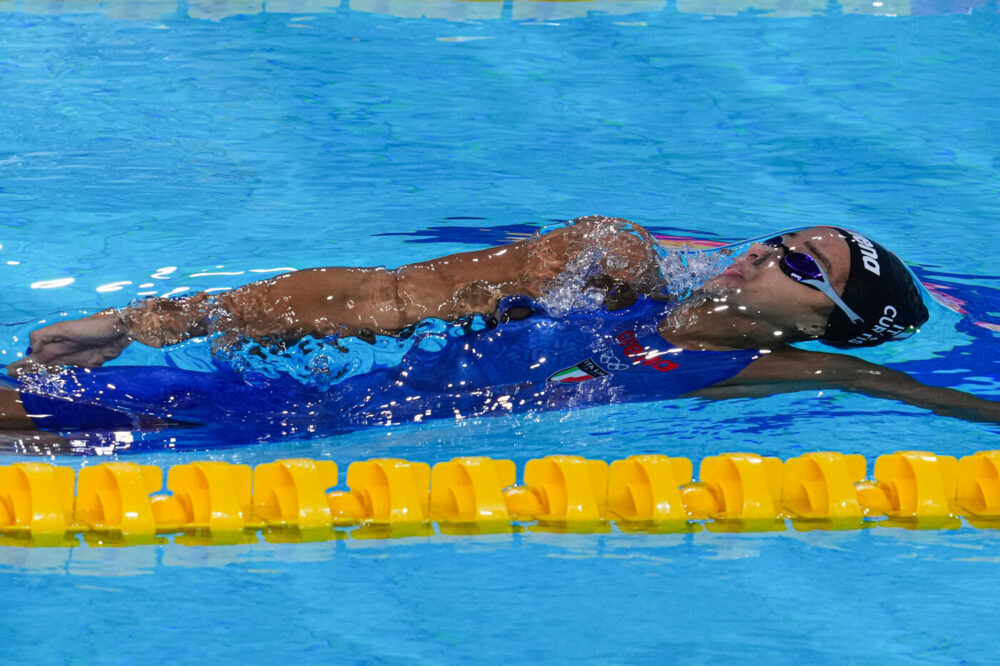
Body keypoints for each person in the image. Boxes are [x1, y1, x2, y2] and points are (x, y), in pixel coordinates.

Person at [1, 216, 997, 437]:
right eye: (780, 238)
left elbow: (930, 401)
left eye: (799, 267)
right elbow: (378, 299)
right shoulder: (611, 269)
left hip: (309, 434)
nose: (762, 252)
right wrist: (148, 320)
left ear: (826, 324)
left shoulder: (768, 374)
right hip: (270, 401)